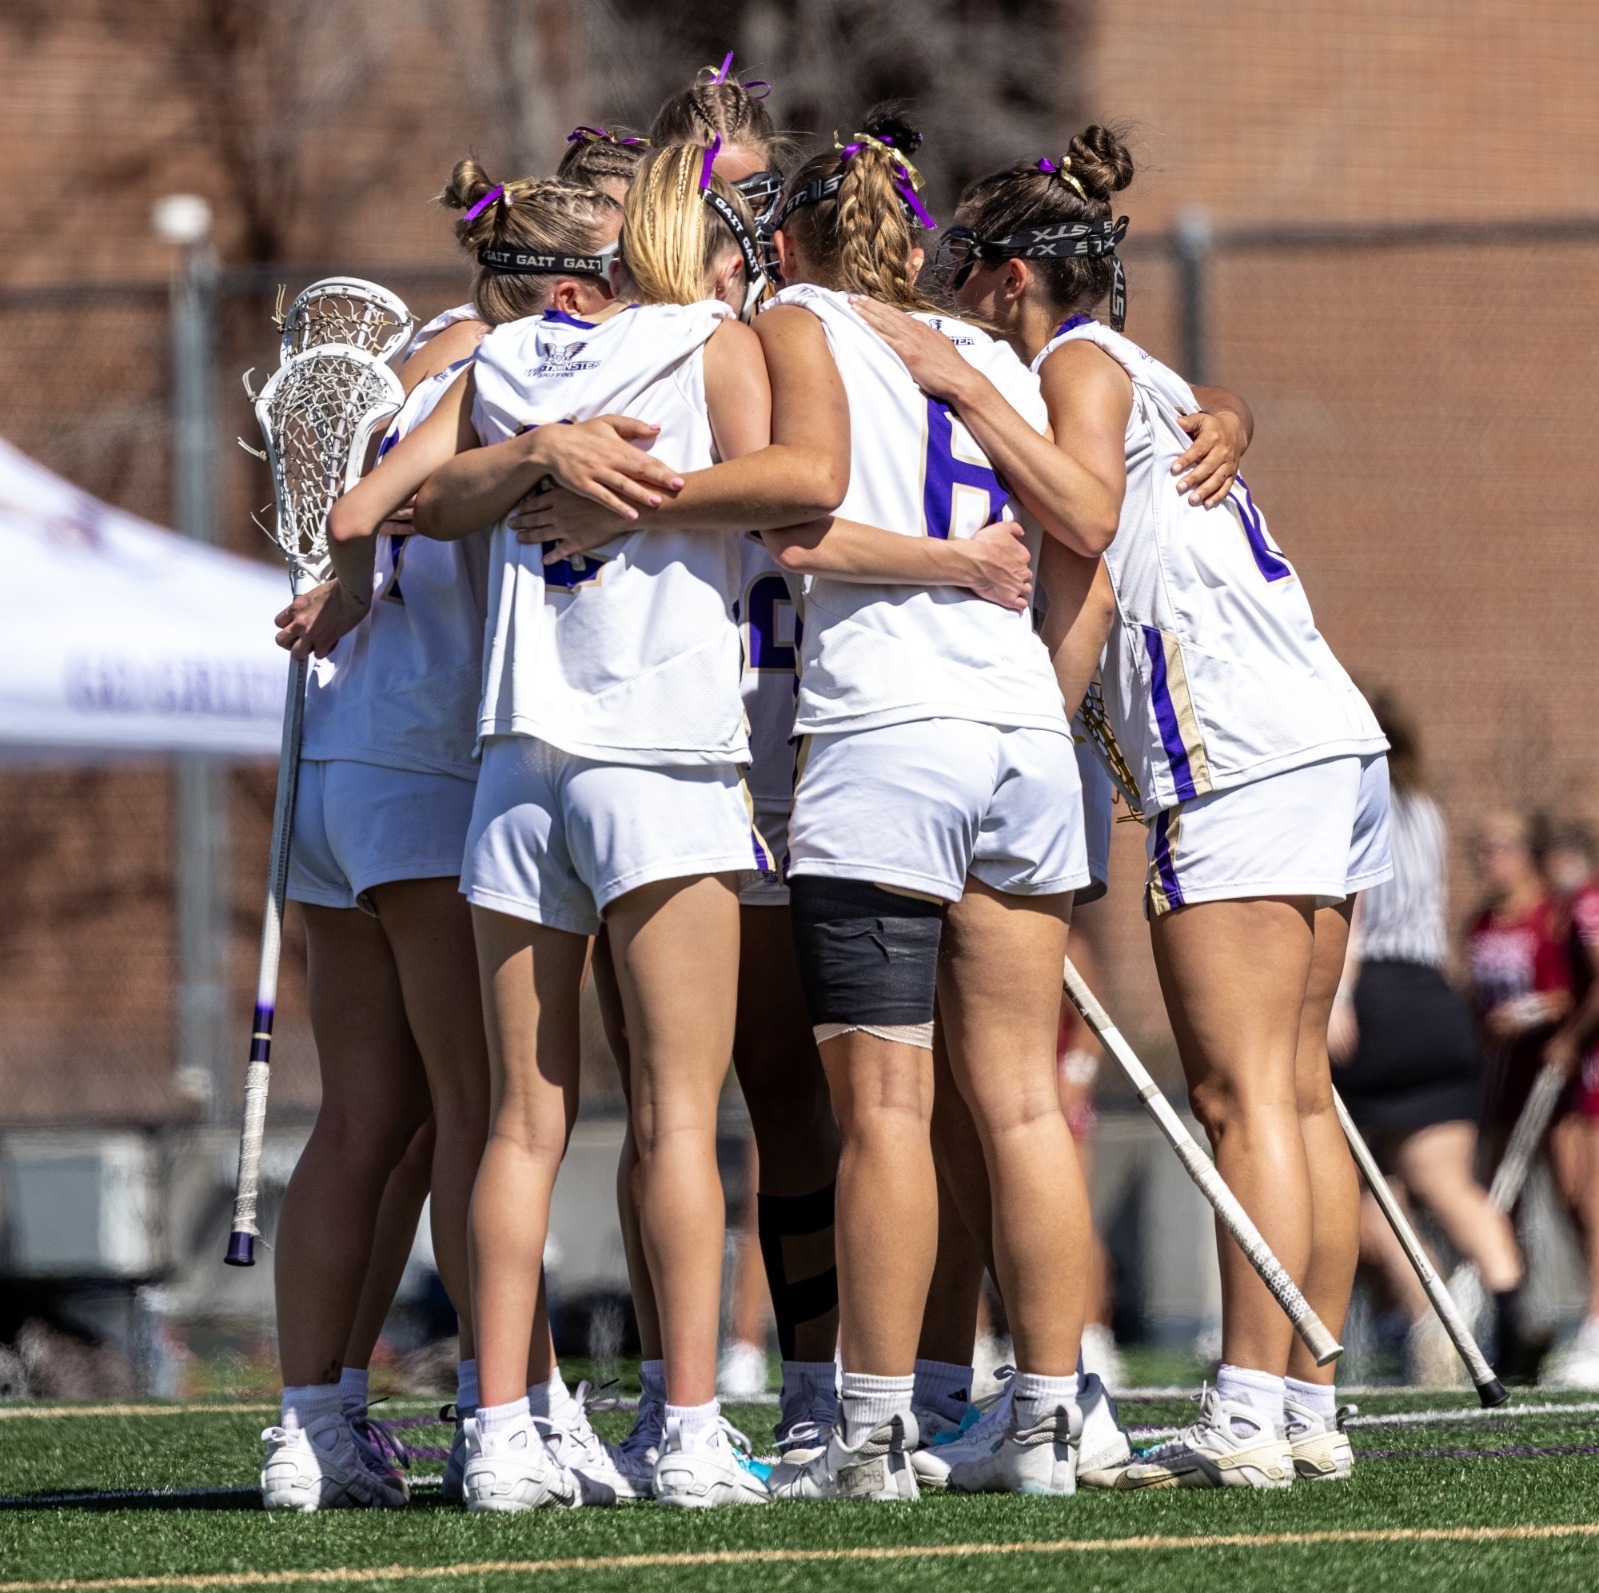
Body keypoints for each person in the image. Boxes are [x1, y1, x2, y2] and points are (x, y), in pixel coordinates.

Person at [860, 125, 1390, 1489]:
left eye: (963, 268)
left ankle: (1248, 1405)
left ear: (1012, 275)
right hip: (1314, 737)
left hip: (1240, 752)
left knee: (1237, 1095)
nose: (950, 294)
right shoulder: (1137, 369)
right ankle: (1300, 1403)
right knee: (1289, 1090)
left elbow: (1084, 526)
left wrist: (961, 398)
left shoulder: (1072, 364)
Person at [1329, 693, 1527, 1383]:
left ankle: (1428, 1318)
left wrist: (1341, 996)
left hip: (1375, 998)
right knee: (1448, 1185)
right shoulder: (1428, 813)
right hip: (1433, 1002)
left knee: (1359, 1191)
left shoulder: (1350, 795)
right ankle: (1507, 1319)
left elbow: (1351, 903)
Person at [1533, 822, 1599, 1387]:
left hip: (1592, 1066)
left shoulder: (1588, 902)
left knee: (1595, 1199)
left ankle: (1596, 1328)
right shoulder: (1563, 911)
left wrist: (1571, 1038)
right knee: (1574, 1196)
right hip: (1580, 1076)